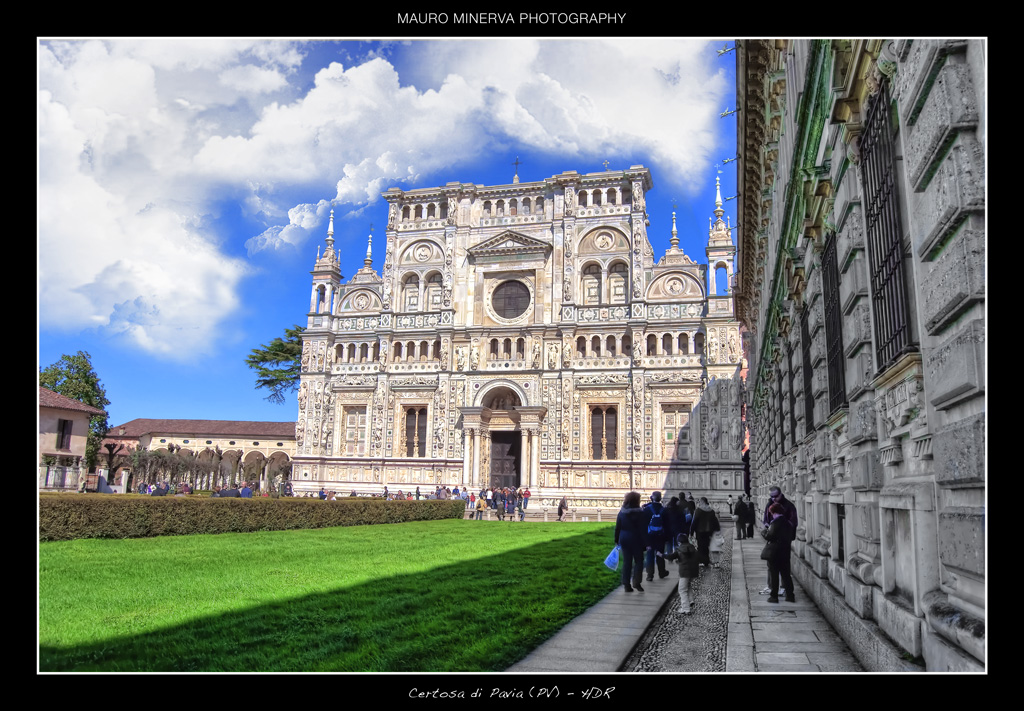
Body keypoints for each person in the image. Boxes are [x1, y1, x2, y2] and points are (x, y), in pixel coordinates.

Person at [760, 486, 798, 594]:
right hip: (772, 539)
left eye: (775, 496)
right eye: (771, 496)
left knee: (784, 565)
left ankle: (783, 588)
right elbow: (766, 519)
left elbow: (793, 523)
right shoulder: (769, 503)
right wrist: (767, 528)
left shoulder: (789, 506)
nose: (773, 499)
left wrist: (785, 534)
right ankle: (771, 586)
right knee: (770, 563)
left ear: (781, 494)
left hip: (784, 540)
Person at [614, 491, 648, 593]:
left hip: (624, 538)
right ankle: (637, 582)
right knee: (639, 561)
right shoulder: (641, 513)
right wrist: (646, 542)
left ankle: (626, 584)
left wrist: (616, 540)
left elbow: (617, 528)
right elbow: (644, 529)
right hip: (636, 539)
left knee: (627, 562)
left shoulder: (622, 512)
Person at [763, 502, 797, 603]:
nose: (772, 515)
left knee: (774, 575)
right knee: (786, 575)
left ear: (775, 512)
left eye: (772, 513)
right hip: (785, 552)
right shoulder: (788, 523)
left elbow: (769, 536)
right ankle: (790, 596)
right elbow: (793, 537)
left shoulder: (775, 523)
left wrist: (764, 532)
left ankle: (774, 596)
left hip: (775, 553)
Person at [664, 532, 700, 614]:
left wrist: (661, 555)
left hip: (684, 572)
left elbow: (670, 556)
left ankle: (686, 608)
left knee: (682, 590)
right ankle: (691, 600)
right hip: (693, 571)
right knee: (688, 585)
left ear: (679, 542)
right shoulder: (693, 548)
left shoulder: (679, 550)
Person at [643, 491, 670, 581]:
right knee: (660, 554)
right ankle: (662, 572)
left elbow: (643, 524)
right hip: (660, 536)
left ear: (652, 498)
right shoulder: (664, 510)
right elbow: (667, 526)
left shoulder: (647, 509)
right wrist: (666, 538)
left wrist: (645, 539)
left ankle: (650, 575)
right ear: (660, 498)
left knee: (650, 554)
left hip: (649, 535)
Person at [690, 496, 721, 569]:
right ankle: (706, 560)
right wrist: (717, 530)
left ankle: (702, 561)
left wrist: (691, 532)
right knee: (706, 546)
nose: (699, 503)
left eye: (700, 502)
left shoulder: (698, 510)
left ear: (702, 502)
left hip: (700, 531)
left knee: (701, 547)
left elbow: (694, 522)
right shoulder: (711, 510)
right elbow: (715, 522)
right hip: (709, 531)